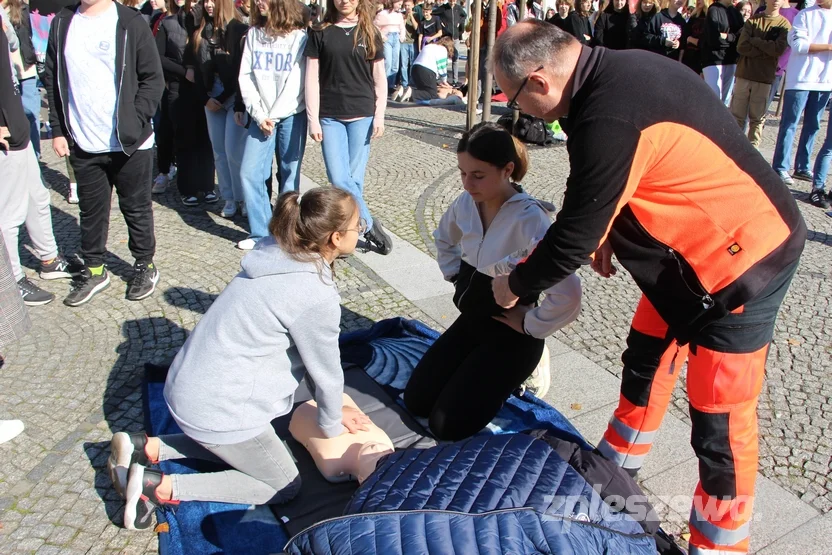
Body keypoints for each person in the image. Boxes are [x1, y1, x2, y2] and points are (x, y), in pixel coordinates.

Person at [491, 21, 805, 554]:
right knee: (647, 354)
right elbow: (608, 183)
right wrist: (611, 226)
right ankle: (618, 463)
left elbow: (571, 237)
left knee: (720, 422)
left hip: (743, 264)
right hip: (682, 263)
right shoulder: (613, 73)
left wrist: (515, 285)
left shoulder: (609, 111)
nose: (518, 112)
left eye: (515, 97)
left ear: (540, 81)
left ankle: (720, 543)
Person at [107, 188, 372, 530]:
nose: (361, 229)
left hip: (186, 389)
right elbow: (325, 372)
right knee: (283, 483)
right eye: (357, 225)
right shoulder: (312, 294)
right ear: (336, 238)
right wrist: (333, 424)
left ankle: (148, 447)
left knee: (252, 443)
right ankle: (158, 486)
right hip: (215, 407)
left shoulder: (275, 250)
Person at [403, 122, 581, 442]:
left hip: (511, 332)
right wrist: (456, 276)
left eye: (478, 175)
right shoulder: (466, 202)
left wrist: (532, 324)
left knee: (447, 425)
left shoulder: (532, 220)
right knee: (416, 400)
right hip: (473, 319)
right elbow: (444, 238)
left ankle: (532, 362)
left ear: (506, 170)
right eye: (462, 173)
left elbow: (569, 294)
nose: (467, 183)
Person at [43, 0, 165, 307]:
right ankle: (94, 270)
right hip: (83, 140)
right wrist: (59, 129)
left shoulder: (129, 21)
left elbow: (153, 78)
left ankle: (144, 265)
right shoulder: (62, 22)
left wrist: (135, 120)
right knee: (91, 212)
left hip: (129, 142)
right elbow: (53, 78)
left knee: (135, 208)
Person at [305, 0, 394, 255]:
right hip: (330, 115)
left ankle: (348, 234)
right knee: (339, 178)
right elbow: (311, 77)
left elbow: (379, 79)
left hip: (362, 114)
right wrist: (313, 118)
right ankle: (366, 224)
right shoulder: (320, 31)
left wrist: (379, 115)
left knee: (354, 180)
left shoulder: (369, 32)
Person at [0, 26, 74, 307]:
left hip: (15, 119)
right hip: (6, 129)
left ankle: (49, 258)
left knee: (37, 195)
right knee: (9, 212)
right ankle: (11, 281)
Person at [237, 0, 309, 250]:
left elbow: (296, 82)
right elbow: (245, 76)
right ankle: (261, 233)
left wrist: (273, 115)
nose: (258, 2)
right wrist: (259, 114)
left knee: (289, 173)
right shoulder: (254, 35)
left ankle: (286, 231)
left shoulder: (299, 37)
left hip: (290, 114)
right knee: (250, 172)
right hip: (261, 115)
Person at [770, 0, 832, 206]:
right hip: (801, 78)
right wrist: (828, 47)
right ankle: (780, 166)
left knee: (813, 125)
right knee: (790, 124)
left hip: (824, 81)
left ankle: (803, 166)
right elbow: (799, 44)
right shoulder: (804, 15)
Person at [156, 0, 216, 206]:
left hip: (205, 88)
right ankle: (188, 188)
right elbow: (159, 57)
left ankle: (207, 185)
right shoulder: (169, 23)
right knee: (185, 139)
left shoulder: (209, 24)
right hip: (179, 88)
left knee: (206, 140)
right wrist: (184, 71)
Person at [194, 0, 248, 223]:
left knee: (234, 151)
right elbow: (195, 69)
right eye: (205, 1)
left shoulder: (237, 29)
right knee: (219, 151)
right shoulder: (201, 30)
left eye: (213, 1)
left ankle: (243, 197)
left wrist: (224, 98)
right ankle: (229, 198)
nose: (208, 5)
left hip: (233, 96)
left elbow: (241, 70)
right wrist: (206, 98)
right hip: (211, 96)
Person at [730, 0, 790, 147]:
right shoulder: (753, 20)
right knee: (737, 116)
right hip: (744, 73)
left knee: (757, 118)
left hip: (764, 77)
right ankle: (733, 147)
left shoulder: (784, 24)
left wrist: (755, 41)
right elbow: (742, 46)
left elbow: (777, 50)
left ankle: (753, 151)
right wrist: (766, 49)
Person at [2, 0, 41, 159]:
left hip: (24, 70)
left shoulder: (22, 9)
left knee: (30, 114)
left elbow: (20, 41)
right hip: (6, 73)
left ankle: (35, 156)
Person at [701, 0, 744, 104]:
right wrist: (732, 38)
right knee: (714, 99)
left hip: (731, 59)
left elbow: (741, 35)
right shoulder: (713, 10)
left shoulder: (735, 12)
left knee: (725, 101)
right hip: (714, 60)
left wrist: (728, 36)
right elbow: (714, 39)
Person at [409, 35, 464, 104]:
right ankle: (410, 92)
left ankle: (404, 91)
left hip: (415, 68)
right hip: (427, 70)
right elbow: (442, 68)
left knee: (423, 90)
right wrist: (444, 81)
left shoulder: (430, 46)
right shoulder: (443, 50)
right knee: (432, 94)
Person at [374, 0, 405, 91]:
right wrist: (383, 37)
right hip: (387, 38)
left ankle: (391, 85)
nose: (400, 6)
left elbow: (402, 27)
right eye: (399, 3)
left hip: (396, 38)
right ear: (393, 3)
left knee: (395, 64)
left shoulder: (399, 15)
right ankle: (384, 85)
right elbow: (375, 26)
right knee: (388, 63)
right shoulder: (382, 14)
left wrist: (401, 37)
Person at [433, 0, 465, 84]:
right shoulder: (444, 8)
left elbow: (464, 16)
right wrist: (441, 23)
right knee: (444, 58)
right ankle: (443, 79)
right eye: (451, 1)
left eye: (454, 1)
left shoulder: (458, 8)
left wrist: (459, 22)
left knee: (455, 58)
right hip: (447, 37)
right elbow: (434, 13)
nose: (452, 3)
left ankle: (455, 80)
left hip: (455, 37)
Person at [681, 0, 711, 75]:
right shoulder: (694, 16)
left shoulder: (711, 16)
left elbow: (708, 40)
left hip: (703, 57)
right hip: (689, 56)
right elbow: (685, 36)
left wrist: (692, 40)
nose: (698, 1)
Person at [396, 0, 418, 96]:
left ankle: (412, 82)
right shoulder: (401, 15)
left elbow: (416, 27)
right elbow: (401, 27)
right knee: (404, 64)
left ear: (413, 5)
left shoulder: (417, 14)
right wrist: (405, 18)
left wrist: (411, 16)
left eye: (409, 5)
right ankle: (405, 83)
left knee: (413, 63)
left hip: (413, 42)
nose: (407, 7)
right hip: (404, 42)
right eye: (405, 5)